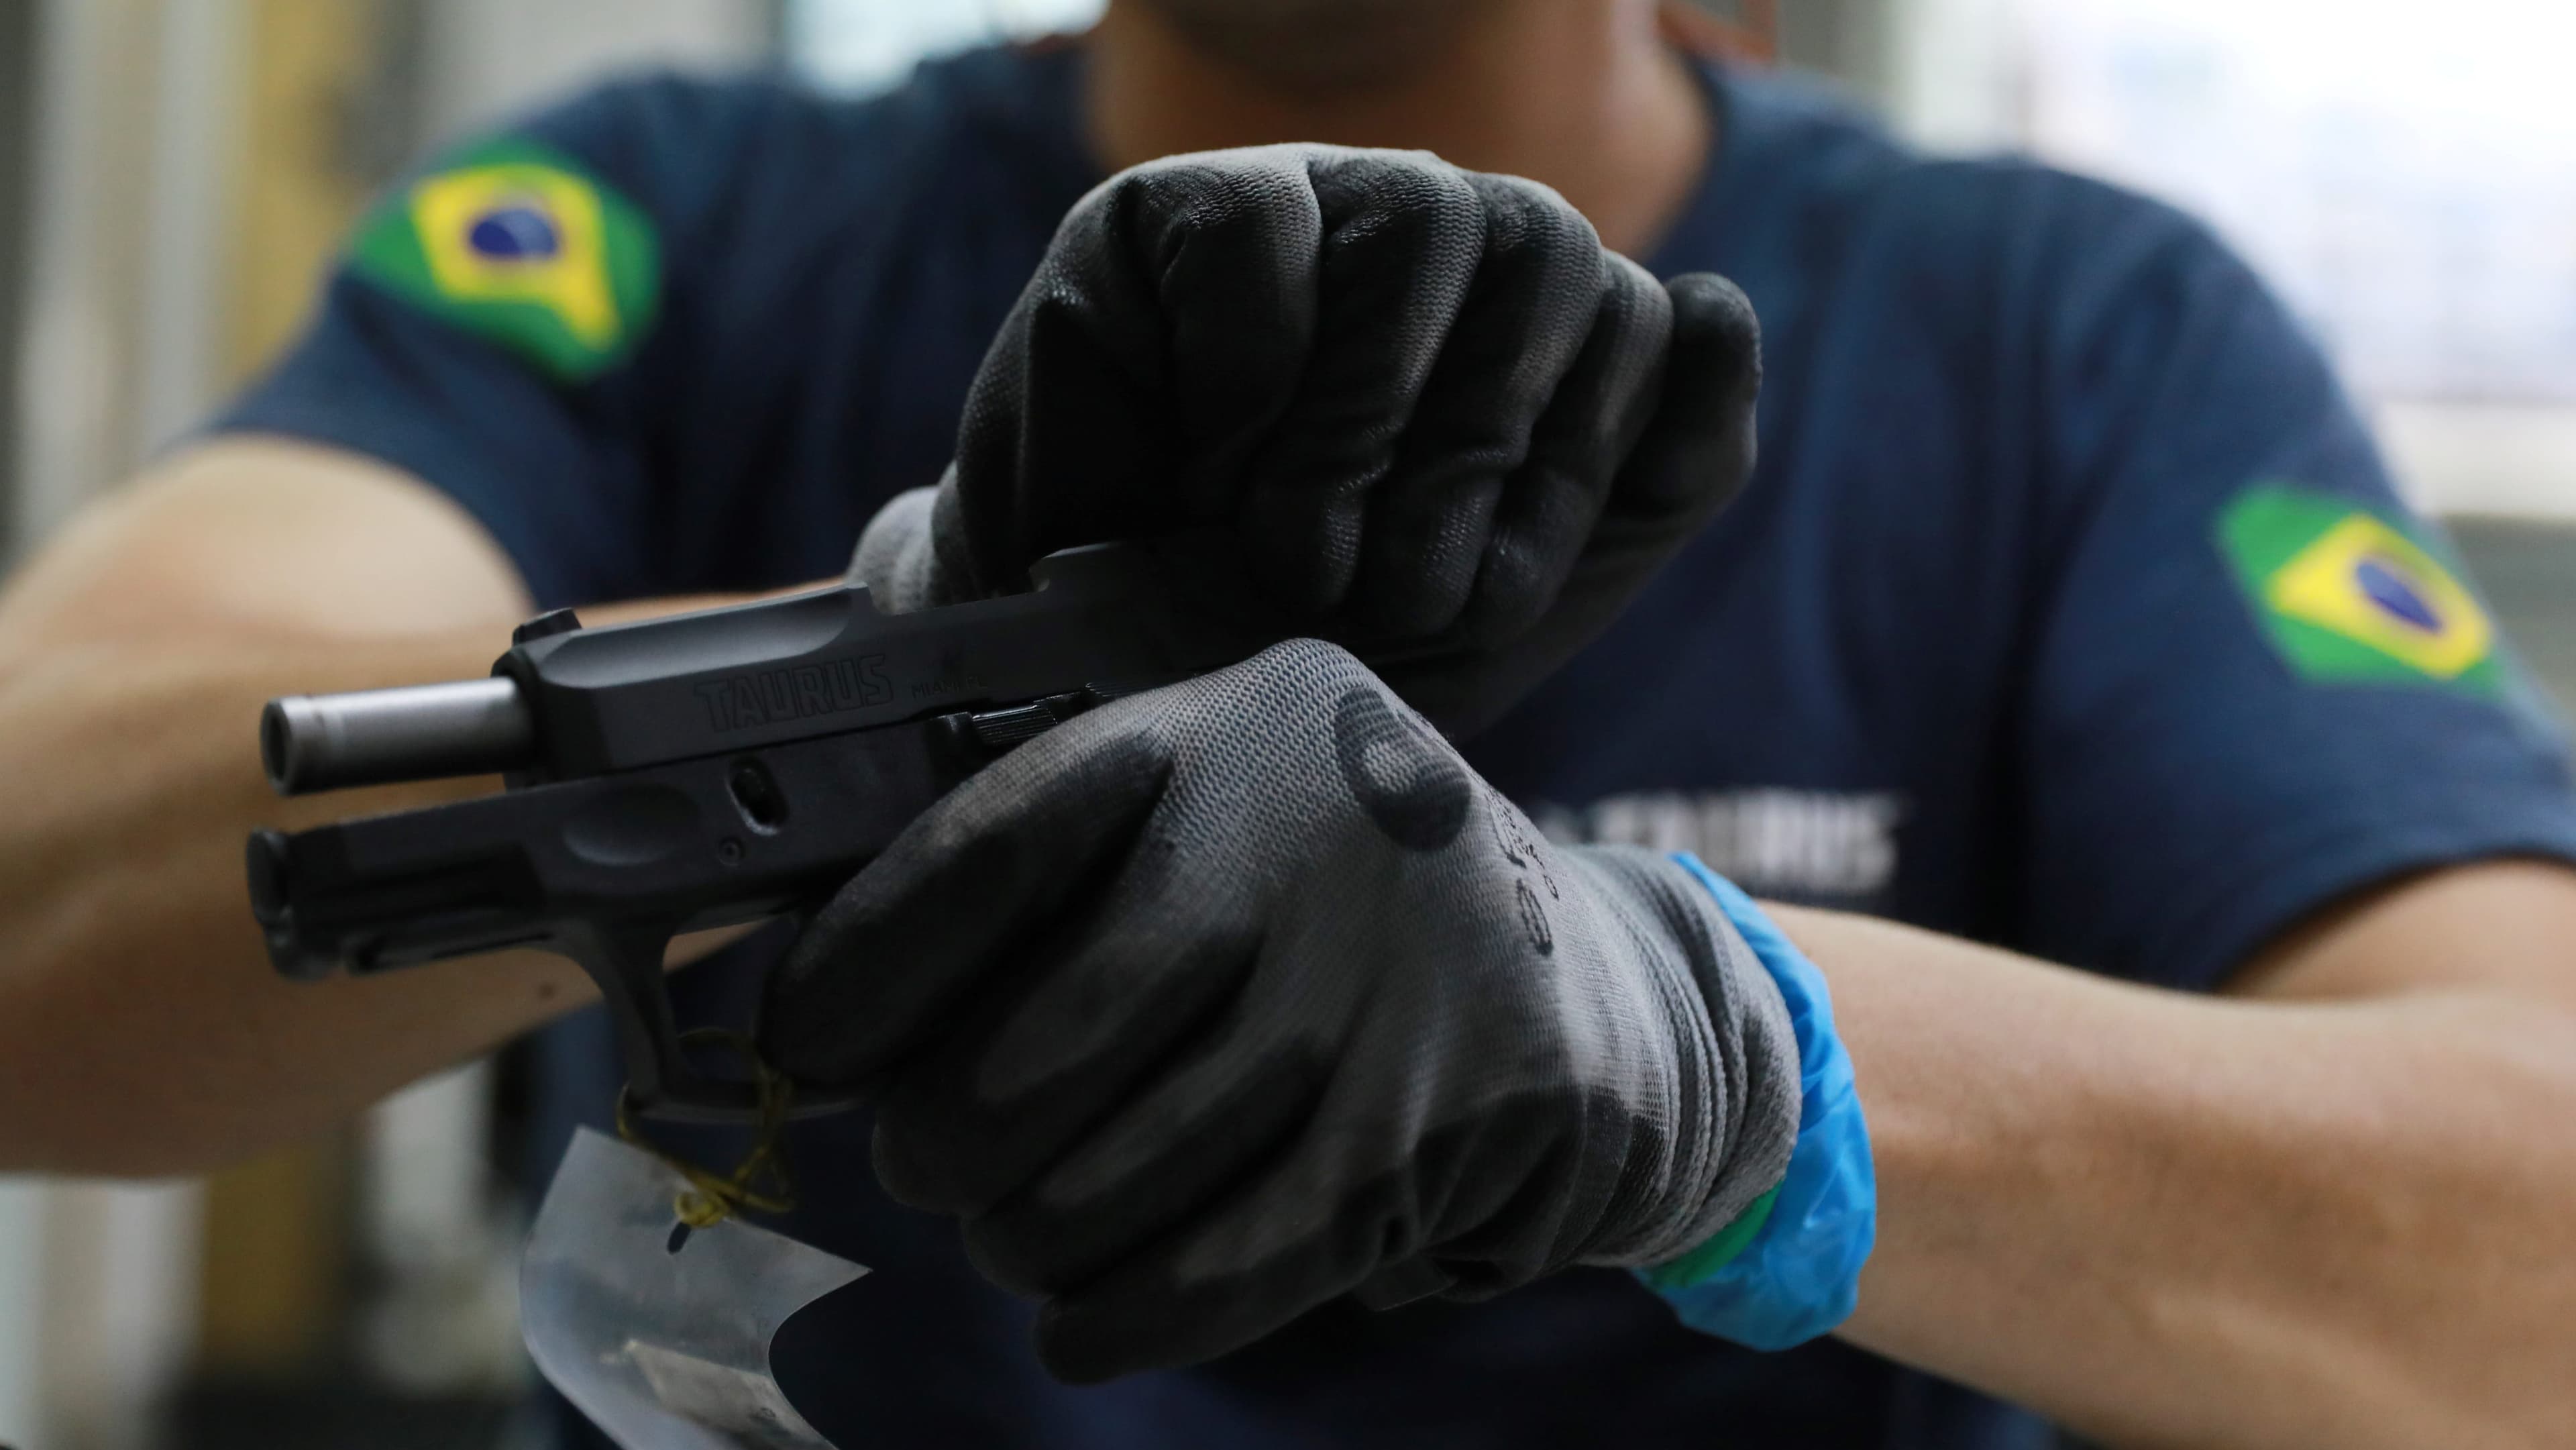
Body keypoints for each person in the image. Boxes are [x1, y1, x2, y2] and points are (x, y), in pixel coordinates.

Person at [1, 1, 2571, 1446]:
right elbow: (41, 871)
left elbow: (2526, 1248)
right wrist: (906, 675)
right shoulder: (668, 232)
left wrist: (1712, 1055)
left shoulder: (2074, 350)